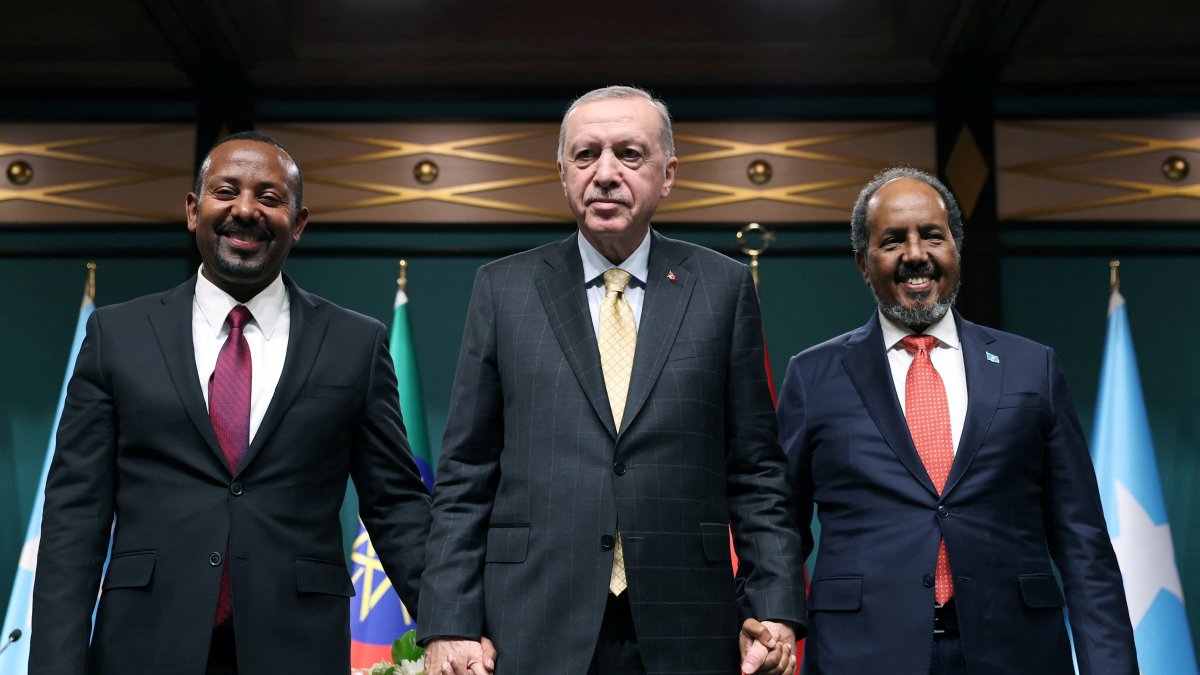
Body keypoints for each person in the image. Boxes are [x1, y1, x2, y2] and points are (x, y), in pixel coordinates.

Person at [417, 86, 806, 675]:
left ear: (667, 173)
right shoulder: (504, 290)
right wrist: (448, 621)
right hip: (532, 617)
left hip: (689, 621)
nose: (605, 173)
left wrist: (775, 607)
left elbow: (756, 470)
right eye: (585, 155)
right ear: (562, 172)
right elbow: (466, 472)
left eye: (629, 153)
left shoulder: (723, 289)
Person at [30, 132, 433, 674]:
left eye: (270, 198)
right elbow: (74, 517)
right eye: (227, 192)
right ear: (194, 211)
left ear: (301, 222)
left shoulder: (354, 344)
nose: (246, 211)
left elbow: (396, 506)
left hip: (296, 648)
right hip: (144, 646)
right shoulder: (116, 335)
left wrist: (448, 623)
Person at [777, 166, 1138, 674]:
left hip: (1016, 651)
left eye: (931, 236)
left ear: (956, 250)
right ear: (863, 262)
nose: (916, 255)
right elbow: (780, 528)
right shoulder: (813, 375)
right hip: (864, 653)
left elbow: (1083, 541)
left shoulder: (1033, 367)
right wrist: (771, 619)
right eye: (892, 241)